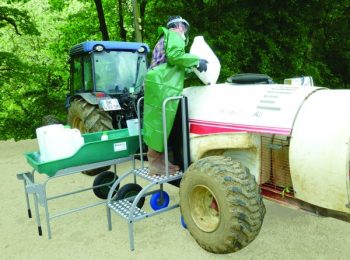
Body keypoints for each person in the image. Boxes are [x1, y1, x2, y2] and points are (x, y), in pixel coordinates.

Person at [143, 16, 208, 176]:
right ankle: (155, 164)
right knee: (160, 125)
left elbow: (173, 65)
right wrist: (196, 60)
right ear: (179, 26)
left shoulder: (164, 37)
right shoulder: (174, 35)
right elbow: (175, 56)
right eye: (184, 28)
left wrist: (192, 67)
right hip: (161, 84)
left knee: (159, 125)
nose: (184, 32)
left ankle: (161, 162)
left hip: (157, 82)